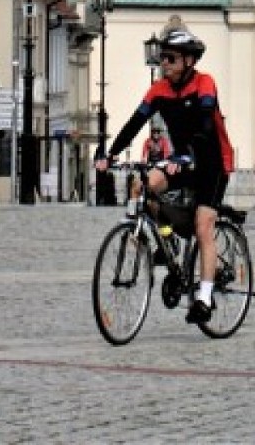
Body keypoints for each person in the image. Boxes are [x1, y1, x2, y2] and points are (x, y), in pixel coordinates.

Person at [95, 22, 234, 325]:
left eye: (170, 58)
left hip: (212, 162)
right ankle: (166, 241)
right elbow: (135, 123)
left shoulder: (204, 83)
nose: (164, 64)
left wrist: (188, 155)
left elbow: (206, 125)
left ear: (188, 60)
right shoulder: (159, 90)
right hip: (180, 160)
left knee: (203, 225)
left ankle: (204, 298)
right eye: (162, 57)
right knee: (143, 186)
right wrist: (110, 152)